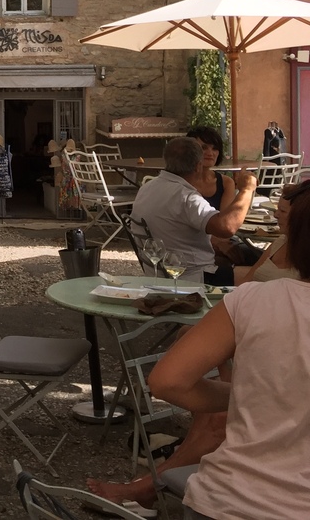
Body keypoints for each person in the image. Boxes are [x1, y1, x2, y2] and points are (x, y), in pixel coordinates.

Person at [87, 179, 310, 512]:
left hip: (224, 499)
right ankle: (151, 484)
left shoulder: (258, 299)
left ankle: (148, 485)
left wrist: (248, 392)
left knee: (215, 416)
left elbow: (166, 381)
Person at [129, 136, 256, 287]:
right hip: (191, 277)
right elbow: (227, 227)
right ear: (198, 166)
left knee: (247, 256)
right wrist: (247, 189)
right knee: (265, 275)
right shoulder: (186, 197)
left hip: (159, 272)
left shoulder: (147, 187)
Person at [186, 126, 236, 210]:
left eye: (215, 149)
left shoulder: (226, 183)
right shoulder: (180, 182)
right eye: (204, 148)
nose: (210, 153)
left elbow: (225, 220)